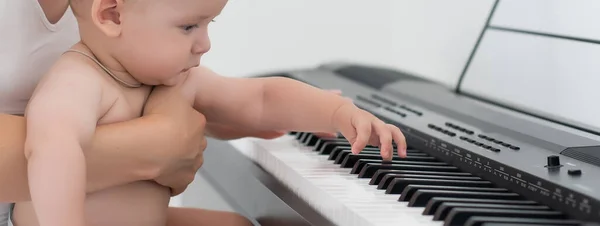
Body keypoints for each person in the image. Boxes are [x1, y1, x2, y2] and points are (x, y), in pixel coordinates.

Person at [0, 0, 293, 225]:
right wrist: (157, 144)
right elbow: (52, 146)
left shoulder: (119, 32)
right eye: (190, 27)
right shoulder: (73, 80)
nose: (206, 45)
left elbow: (258, 97)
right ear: (111, 15)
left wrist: (331, 112)